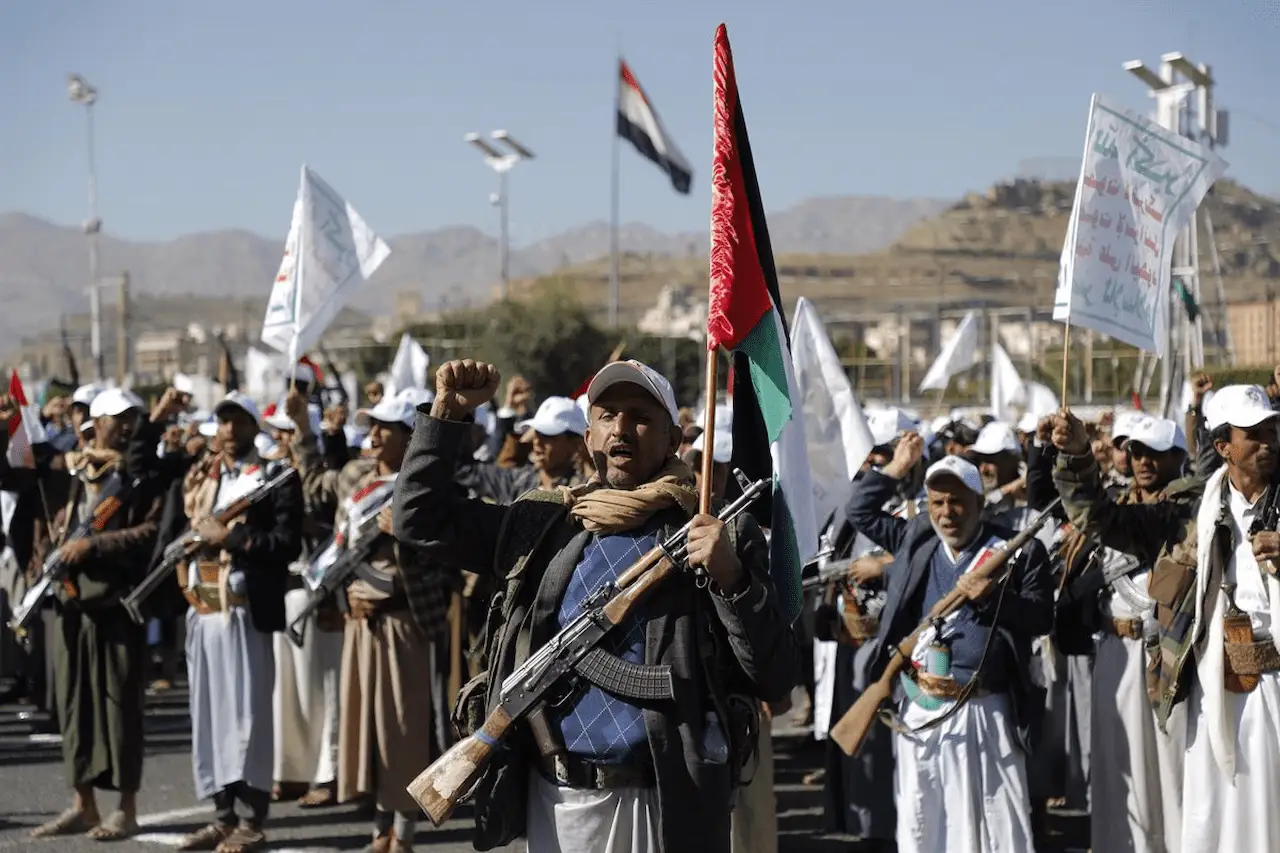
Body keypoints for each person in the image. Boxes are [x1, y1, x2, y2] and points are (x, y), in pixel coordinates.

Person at [393, 358, 799, 853]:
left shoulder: (712, 535)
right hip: (555, 800)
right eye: (606, 415)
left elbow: (775, 675)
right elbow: (418, 520)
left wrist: (732, 579)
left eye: (640, 415)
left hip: (663, 805)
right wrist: (447, 416)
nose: (621, 428)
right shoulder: (543, 524)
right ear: (588, 438)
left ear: (674, 440)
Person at [1051, 386, 1280, 852]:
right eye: (1252, 433)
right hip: (1216, 686)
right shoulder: (1190, 512)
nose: (1267, 441)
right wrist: (1076, 454)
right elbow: (1100, 519)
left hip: (1278, 684)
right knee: (1217, 813)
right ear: (1223, 447)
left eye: (1272, 430)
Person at [849, 437, 1052, 853]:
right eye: (937, 501)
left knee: (998, 825)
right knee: (926, 820)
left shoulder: (1020, 551)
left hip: (987, 709)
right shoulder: (915, 541)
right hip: (921, 704)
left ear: (979, 502)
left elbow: (1041, 618)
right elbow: (859, 511)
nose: (946, 512)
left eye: (956, 502)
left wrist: (993, 596)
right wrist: (896, 469)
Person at [294, 390, 455, 853]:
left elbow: (442, 561)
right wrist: (305, 430)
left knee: (402, 732)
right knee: (368, 731)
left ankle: (403, 834)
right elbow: (312, 486)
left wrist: (400, 539)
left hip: (404, 623)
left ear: (410, 439)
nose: (375, 434)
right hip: (359, 625)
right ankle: (379, 830)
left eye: (387, 427)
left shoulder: (424, 490)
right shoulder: (354, 479)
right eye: (373, 425)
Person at [19, 388, 165, 841]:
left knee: (120, 707)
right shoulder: (70, 472)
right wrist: (46, 556)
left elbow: (150, 533)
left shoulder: (141, 476)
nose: (125, 426)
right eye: (116, 418)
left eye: (132, 418)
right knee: (74, 705)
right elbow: (47, 524)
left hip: (117, 604)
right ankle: (82, 804)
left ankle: (126, 807)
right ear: (94, 422)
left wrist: (93, 545)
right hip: (70, 603)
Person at [168, 391, 302, 853]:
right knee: (210, 714)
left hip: (246, 609)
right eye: (222, 422)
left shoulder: (275, 476)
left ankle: (251, 817)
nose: (228, 430)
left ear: (252, 426)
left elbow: (286, 542)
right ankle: (222, 815)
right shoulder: (202, 478)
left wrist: (232, 536)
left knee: (249, 717)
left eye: (237, 421)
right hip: (205, 605)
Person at [1052, 414, 1191, 853]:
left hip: (1170, 660)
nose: (1143, 460)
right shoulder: (1113, 508)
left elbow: (1108, 519)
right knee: (1118, 773)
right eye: (1135, 451)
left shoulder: (1189, 506)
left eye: (1154, 452)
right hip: (1115, 652)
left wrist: (1076, 456)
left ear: (1178, 457)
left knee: (1174, 777)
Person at [262, 401, 344, 809]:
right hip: (284, 586)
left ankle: (327, 773)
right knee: (287, 688)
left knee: (320, 686)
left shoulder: (325, 475)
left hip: (319, 590)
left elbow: (336, 522)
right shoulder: (271, 475)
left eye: (289, 432)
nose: (281, 440)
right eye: (278, 432)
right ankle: (292, 770)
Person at [457, 395, 590, 504]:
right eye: (535, 433)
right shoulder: (519, 481)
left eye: (548, 435)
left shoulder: (585, 493)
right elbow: (465, 469)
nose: (537, 441)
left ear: (575, 444)